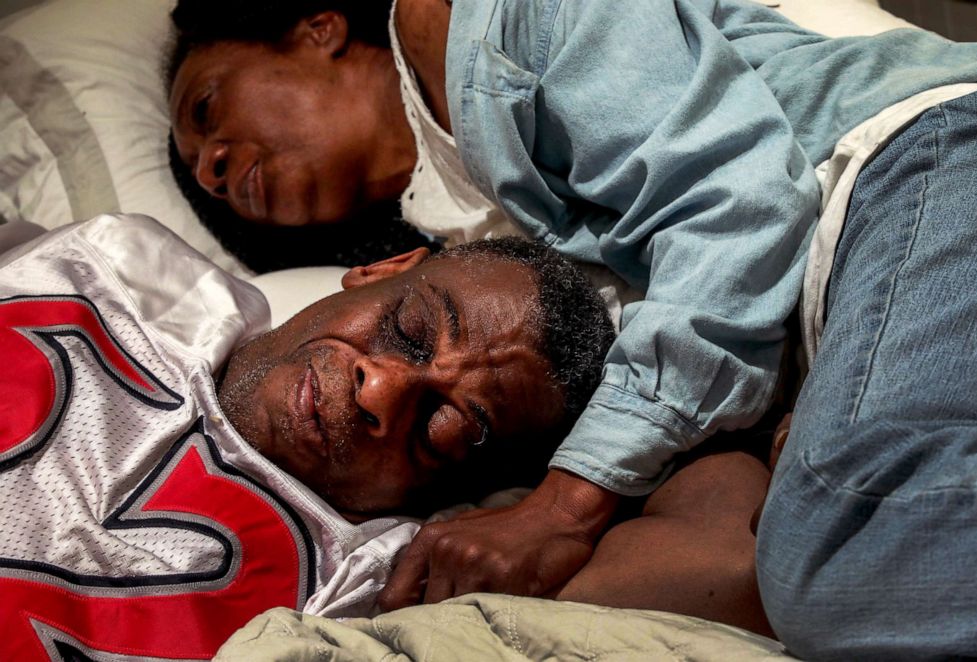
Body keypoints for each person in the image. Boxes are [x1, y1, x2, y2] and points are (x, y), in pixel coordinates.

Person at [166, 0, 977, 656]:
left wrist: (567, 504)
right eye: (199, 166)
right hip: (862, 298)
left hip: (911, 161)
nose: (208, 163)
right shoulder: (457, 233)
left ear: (317, 27)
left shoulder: (488, 19)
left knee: (845, 545)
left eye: (207, 106)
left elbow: (740, 204)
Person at [0, 213, 615, 661]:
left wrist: (572, 505)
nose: (379, 389)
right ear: (379, 269)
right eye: (409, 328)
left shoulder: (368, 589)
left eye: (442, 426)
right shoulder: (121, 270)